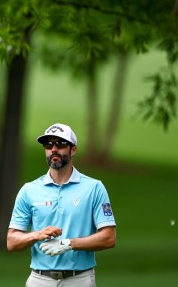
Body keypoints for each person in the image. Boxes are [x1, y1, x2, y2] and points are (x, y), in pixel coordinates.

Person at [7, 123, 116, 287]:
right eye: (48, 144)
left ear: (73, 150)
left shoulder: (94, 188)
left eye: (60, 144)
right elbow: (12, 241)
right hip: (40, 279)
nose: (54, 149)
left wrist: (68, 244)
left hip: (79, 279)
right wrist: (37, 235)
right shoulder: (29, 190)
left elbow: (109, 238)